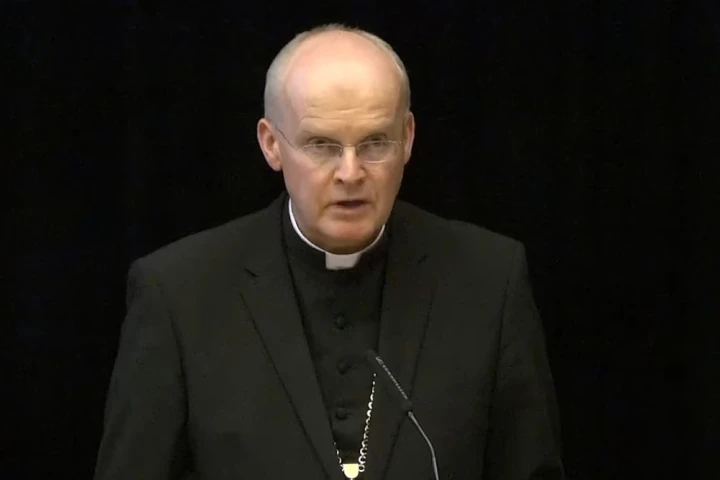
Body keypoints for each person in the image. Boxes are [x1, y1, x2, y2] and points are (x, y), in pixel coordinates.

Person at [94, 24, 564, 480]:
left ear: (408, 138)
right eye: (322, 145)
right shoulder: (180, 294)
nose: (350, 173)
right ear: (271, 145)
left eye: (375, 143)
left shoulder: (488, 280)